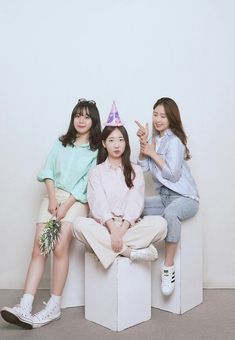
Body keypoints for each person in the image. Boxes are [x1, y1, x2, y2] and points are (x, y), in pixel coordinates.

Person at [1, 98, 102, 329]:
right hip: (52, 197)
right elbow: (47, 170)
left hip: (76, 201)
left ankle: (54, 306)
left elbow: (87, 182)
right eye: (78, 115)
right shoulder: (61, 142)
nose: (81, 120)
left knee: (59, 247)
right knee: (39, 247)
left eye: (87, 116)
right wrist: (53, 199)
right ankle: (25, 305)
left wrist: (65, 206)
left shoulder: (97, 150)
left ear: (93, 121)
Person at [73, 102, 167, 269]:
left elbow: (135, 201)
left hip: (129, 226)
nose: (116, 145)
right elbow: (98, 203)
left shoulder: (135, 170)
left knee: (161, 225)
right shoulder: (96, 172)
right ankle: (129, 252)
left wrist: (121, 230)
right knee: (79, 225)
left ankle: (105, 249)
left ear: (126, 143)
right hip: (104, 227)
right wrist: (112, 230)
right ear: (104, 143)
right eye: (111, 140)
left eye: (121, 140)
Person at [135, 97, 199, 296]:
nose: (158, 119)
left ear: (171, 118)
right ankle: (133, 250)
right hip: (164, 197)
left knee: (171, 213)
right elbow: (143, 168)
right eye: (155, 114)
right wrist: (144, 144)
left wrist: (153, 153)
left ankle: (168, 267)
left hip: (185, 198)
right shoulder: (154, 140)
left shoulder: (175, 142)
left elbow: (173, 174)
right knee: (136, 206)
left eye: (163, 115)